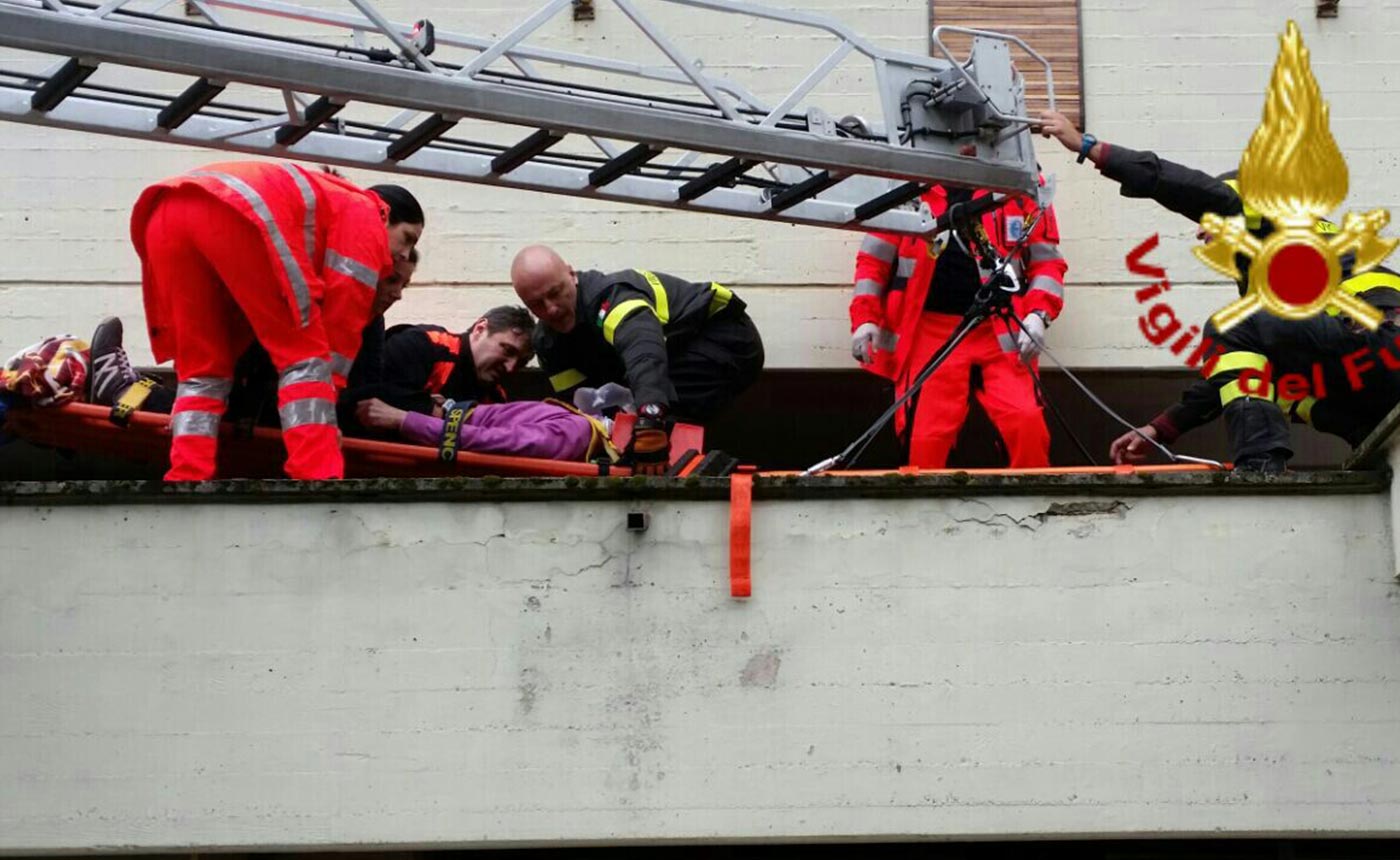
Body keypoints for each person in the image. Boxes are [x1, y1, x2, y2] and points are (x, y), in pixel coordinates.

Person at [1037, 110, 1400, 470]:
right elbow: (1235, 374)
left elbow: (1190, 188)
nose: (1202, 231)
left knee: (1228, 330)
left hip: (1383, 339)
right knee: (1261, 366)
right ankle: (1370, 438)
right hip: (1372, 370)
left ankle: (1260, 466)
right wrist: (1161, 428)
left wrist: (1089, 147)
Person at [127, 160, 422, 480]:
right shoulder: (364, 212)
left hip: (165, 210)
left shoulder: (325, 202)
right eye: (407, 238)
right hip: (238, 210)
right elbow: (340, 323)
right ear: (386, 214)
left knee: (203, 370)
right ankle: (316, 472)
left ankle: (187, 472)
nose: (406, 254)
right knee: (305, 358)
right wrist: (325, 422)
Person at [849, 181, 1067, 468]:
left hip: (999, 329)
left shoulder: (1021, 186)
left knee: (1026, 425)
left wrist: (1039, 314)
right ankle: (924, 511)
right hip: (929, 331)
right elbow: (873, 262)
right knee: (923, 441)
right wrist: (865, 318)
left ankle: (1034, 508)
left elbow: (1047, 264)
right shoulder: (903, 184)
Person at [86, 248, 419, 434]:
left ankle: (120, 390)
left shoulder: (371, 323)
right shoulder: (314, 298)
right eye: (392, 280)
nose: (397, 294)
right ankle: (123, 390)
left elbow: (362, 396)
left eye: (403, 285)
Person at [511, 244, 764, 474]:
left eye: (556, 293)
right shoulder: (548, 343)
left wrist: (650, 418)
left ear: (571, 274)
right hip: (671, 356)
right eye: (537, 304)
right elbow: (582, 405)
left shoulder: (611, 297)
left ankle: (683, 472)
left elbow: (644, 353)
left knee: (657, 415)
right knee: (628, 428)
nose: (551, 308)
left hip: (723, 337)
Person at [370, 305, 535, 417]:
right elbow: (375, 400)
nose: (510, 367)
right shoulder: (424, 344)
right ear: (480, 329)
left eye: (520, 363)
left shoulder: (496, 398)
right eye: (507, 350)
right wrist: (438, 412)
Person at [355, 396, 615, 463]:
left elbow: (496, 438)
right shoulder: (577, 429)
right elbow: (498, 436)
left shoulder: (576, 430)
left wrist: (404, 420)